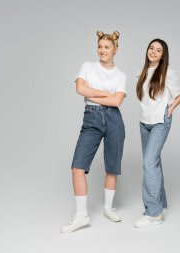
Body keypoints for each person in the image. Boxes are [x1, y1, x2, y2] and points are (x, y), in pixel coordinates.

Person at [61, 31, 126, 233]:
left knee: (112, 166)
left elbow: (117, 101)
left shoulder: (121, 75)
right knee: (77, 167)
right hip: (92, 118)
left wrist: (95, 92)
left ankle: (108, 208)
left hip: (115, 120)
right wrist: (107, 93)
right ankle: (82, 216)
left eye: (106, 47)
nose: (102, 50)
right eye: (99, 46)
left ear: (115, 49)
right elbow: (80, 89)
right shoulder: (87, 66)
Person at [134, 39, 180, 228]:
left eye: (158, 50)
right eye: (151, 48)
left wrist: (170, 108)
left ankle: (153, 213)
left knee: (149, 163)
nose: (153, 52)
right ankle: (160, 203)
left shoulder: (168, 73)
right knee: (153, 162)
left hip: (160, 122)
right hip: (144, 122)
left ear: (163, 55)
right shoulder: (141, 72)